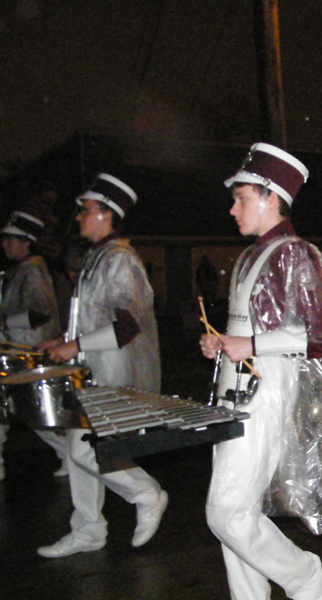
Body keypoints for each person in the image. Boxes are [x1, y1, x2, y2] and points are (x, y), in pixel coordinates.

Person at [199, 143, 322, 600]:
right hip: (236, 392)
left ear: (272, 197)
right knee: (237, 513)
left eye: (242, 197)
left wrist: (249, 345)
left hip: (263, 396)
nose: (232, 207)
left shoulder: (295, 253)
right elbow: (257, 329)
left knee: (227, 514)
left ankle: (312, 581)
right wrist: (224, 343)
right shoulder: (253, 256)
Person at [37, 174, 168, 557]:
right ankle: (89, 529)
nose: (79, 218)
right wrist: (66, 342)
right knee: (79, 449)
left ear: (108, 215)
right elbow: (96, 319)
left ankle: (146, 493)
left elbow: (128, 327)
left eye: (86, 211)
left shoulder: (121, 261)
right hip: (93, 375)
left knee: (84, 451)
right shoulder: (99, 258)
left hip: (116, 379)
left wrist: (76, 344)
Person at [0, 210, 66, 481]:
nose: (4, 244)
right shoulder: (22, 270)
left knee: (33, 413)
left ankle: (71, 456)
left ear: (26, 242)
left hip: (26, 354)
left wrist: (5, 322)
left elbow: (41, 311)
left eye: (10, 239)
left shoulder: (32, 271)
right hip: (16, 353)